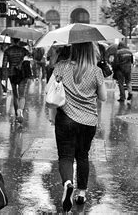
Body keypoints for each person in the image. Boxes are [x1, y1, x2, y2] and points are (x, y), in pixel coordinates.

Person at [51, 42, 107, 212]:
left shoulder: (61, 67)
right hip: (88, 121)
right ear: (91, 51)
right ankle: (81, 193)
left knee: (66, 157)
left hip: (65, 118)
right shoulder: (96, 71)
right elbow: (103, 97)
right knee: (83, 156)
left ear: (73, 50)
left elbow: (51, 90)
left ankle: (68, 183)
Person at [2, 38, 29, 123]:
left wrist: (4, 77)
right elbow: (30, 57)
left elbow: (4, 64)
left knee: (15, 94)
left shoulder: (7, 51)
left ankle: (17, 114)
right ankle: (20, 110)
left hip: (12, 73)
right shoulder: (23, 50)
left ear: (11, 40)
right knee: (22, 95)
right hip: (22, 73)